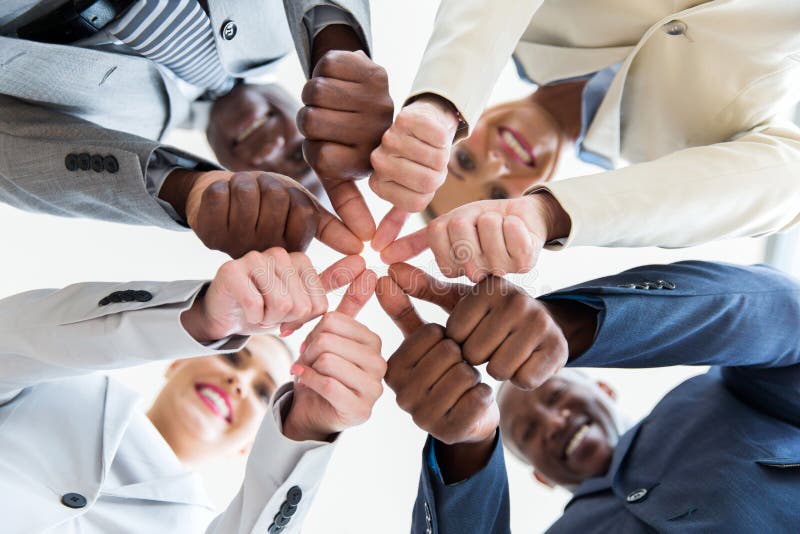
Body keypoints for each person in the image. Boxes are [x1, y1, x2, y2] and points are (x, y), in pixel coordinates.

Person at [374, 0, 800, 283]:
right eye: (500, 193)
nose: (500, 163)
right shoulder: (682, 160)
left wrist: (440, 101)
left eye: (465, 159)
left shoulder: (530, 24)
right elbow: (790, 182)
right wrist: (549, 215)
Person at [377, 261, 800, 532]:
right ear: (541, 476)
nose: (556, 423)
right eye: (527, 433)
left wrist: (566, 326)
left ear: (604, 387)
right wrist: (466, 447)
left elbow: (784, 314)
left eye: (556, 393)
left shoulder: (717, 393)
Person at [0, 248, 386, 533]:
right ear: (178, 360)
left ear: (249, 443)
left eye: (262, 393)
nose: (238, 382)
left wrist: (305, 430)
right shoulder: (56, 379)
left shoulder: (196, 526)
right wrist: (200, 318)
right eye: (234, 359)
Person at [0, 0, 393, 257]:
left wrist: (186, 191)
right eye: (298, 152)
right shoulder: (280, 24)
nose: (267, 150)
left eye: (266, 173)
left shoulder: (117, 135)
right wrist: (341, 51)